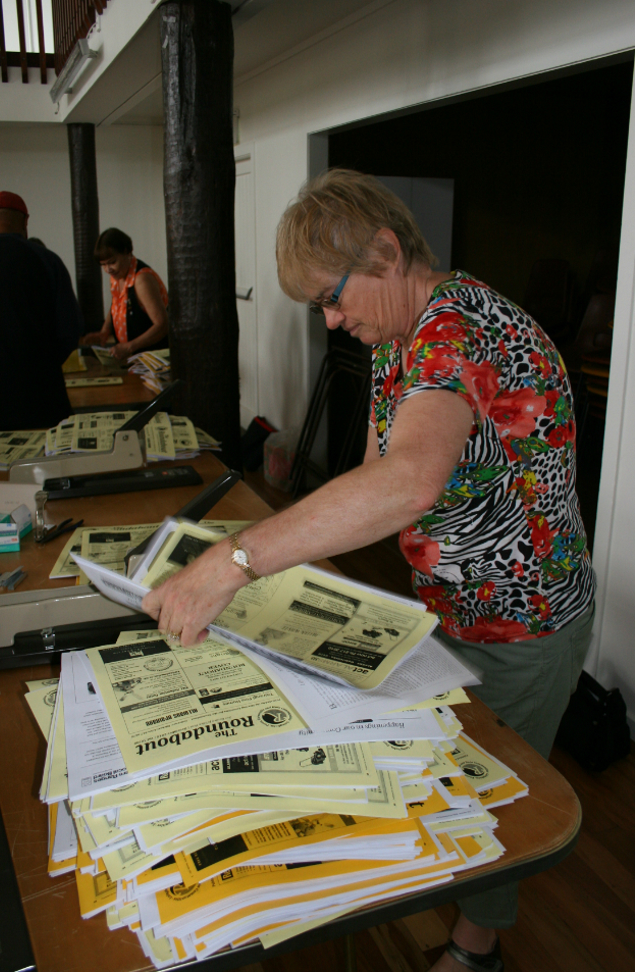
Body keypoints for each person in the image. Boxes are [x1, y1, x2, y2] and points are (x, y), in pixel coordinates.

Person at [141, 170, 595, 972]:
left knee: (497, 801)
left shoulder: (461, 329)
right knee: (442, 777)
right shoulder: (399, 340)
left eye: (332, 296)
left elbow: (408, 480)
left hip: (524, 619)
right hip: (450, 608)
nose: (332, 319)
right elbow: (368, 480)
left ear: (387, 250)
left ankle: (476, 946)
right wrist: (294, 589)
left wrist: (235, 562)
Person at [0, 190, 82, 434]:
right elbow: (70, 331)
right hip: (39, 402)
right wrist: (39, 366)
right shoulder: (47, 261)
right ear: (26, 221)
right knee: (45, 468)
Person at [82, 228, 168, 361]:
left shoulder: (141, 280)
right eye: (103, 265)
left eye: (112, 262)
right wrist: (104, 332)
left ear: (127, 252)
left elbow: (163, 325)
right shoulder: (118, 275)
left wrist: (129, 347)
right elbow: (116, 304)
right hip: (135, 360)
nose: (108, 269)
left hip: (153, 362)